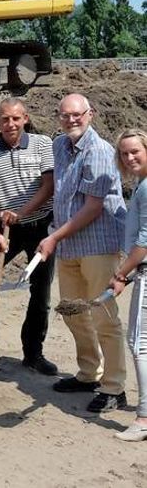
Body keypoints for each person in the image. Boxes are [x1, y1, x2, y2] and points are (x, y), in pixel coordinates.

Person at [38, 94, 127, 413]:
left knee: (104, 317)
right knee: (73, 311)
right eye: (65, 115)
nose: (71, 120)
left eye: (77, 115)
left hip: (98, 244)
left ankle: (115, 387)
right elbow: (63, 195)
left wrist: (53, 238)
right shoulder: (59, 146)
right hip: (69, 245)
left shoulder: (100, 150)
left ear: (90, 114)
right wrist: (55, 233)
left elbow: (92, 208)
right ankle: (90, 373)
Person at [0, 98, 58, 374]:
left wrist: (21, 211)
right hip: (6, 229)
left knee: (41, 291)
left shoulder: (43, 144)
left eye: (16, 118)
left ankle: (33, 352)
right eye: (5, 119)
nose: (10, 124)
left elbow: (49, 186)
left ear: (25, 119)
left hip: (41, 227)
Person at [109, 129, 147, 441]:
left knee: (139, 343)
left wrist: (121, 273)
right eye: (124, 154)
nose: (129, 158)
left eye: (135, 151)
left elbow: (144, 243)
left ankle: (143, 418)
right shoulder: (141, 184)